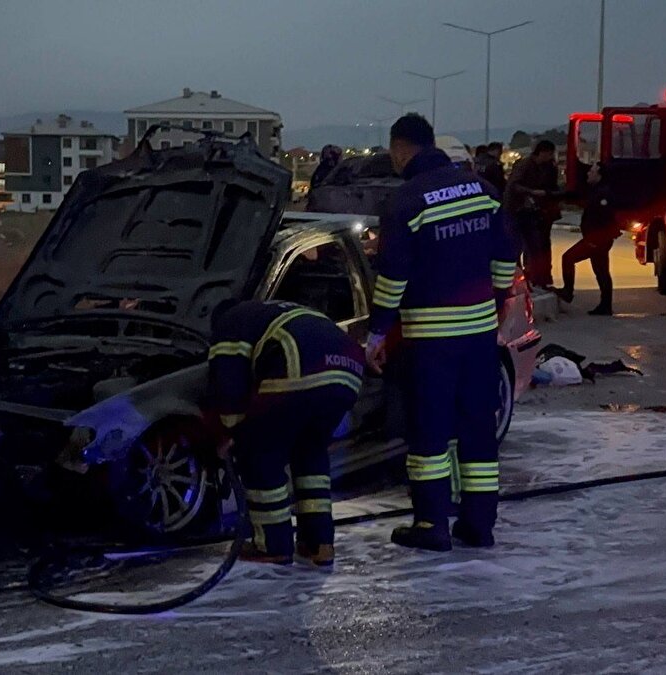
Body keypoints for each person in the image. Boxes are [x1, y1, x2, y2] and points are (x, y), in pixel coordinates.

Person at [366, 114, 518, 552]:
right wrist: (498, 298)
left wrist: (377, 335)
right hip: (478, 337)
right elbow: (507, 252)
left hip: (431, 340)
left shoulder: (407, 201)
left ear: (399, 150)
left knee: (429, 433)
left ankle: (431, 523)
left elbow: (392, 278)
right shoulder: (482, 190)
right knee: (476, 428)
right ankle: (479, 525)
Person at [208, 299, 364, 567]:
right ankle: (319, 543)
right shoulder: (270, 312)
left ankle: (272, 545)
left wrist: (231, 433)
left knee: (260, 454)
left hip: (299, 363)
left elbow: (228, 383)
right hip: (348, 371)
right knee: (310, 453)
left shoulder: (229, 323)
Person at [555, 162, 618, 316]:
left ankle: (568, 292)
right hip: (598, 238)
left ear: (600, 175)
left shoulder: (602, 194)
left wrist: (595, 239)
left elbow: (603, 218)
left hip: (596, 239)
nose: (589, 173)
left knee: (568, 258)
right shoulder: (597, 191)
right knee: (601, 271)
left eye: (592, 171)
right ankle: (605, 305)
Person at [503, 140, 560, 288]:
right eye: (549, 154)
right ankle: (519, 278)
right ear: (543, 152)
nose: (551, 157)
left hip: (536, 211)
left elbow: (551, 186)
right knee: (520, 246)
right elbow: (514, 186)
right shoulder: (525, 165)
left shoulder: (548, 167)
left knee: (538, 246)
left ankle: (539, 278)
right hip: (517, 210)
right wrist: (532, 193)